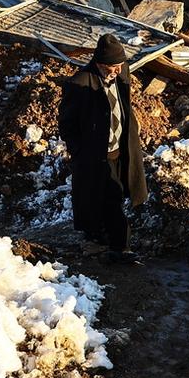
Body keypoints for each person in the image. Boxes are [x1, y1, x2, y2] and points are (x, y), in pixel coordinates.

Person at [58, 33, 148, 265]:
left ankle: (100, 235)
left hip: (121, 149)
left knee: (109, 196)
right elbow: (67, 125)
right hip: (95, 155)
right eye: (112, 67)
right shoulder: (79, 83)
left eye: (120, 66)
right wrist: (80, 151)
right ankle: (121, 247)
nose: (117, 71)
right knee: (111, 197)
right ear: (99, 64)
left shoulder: (121, 72)